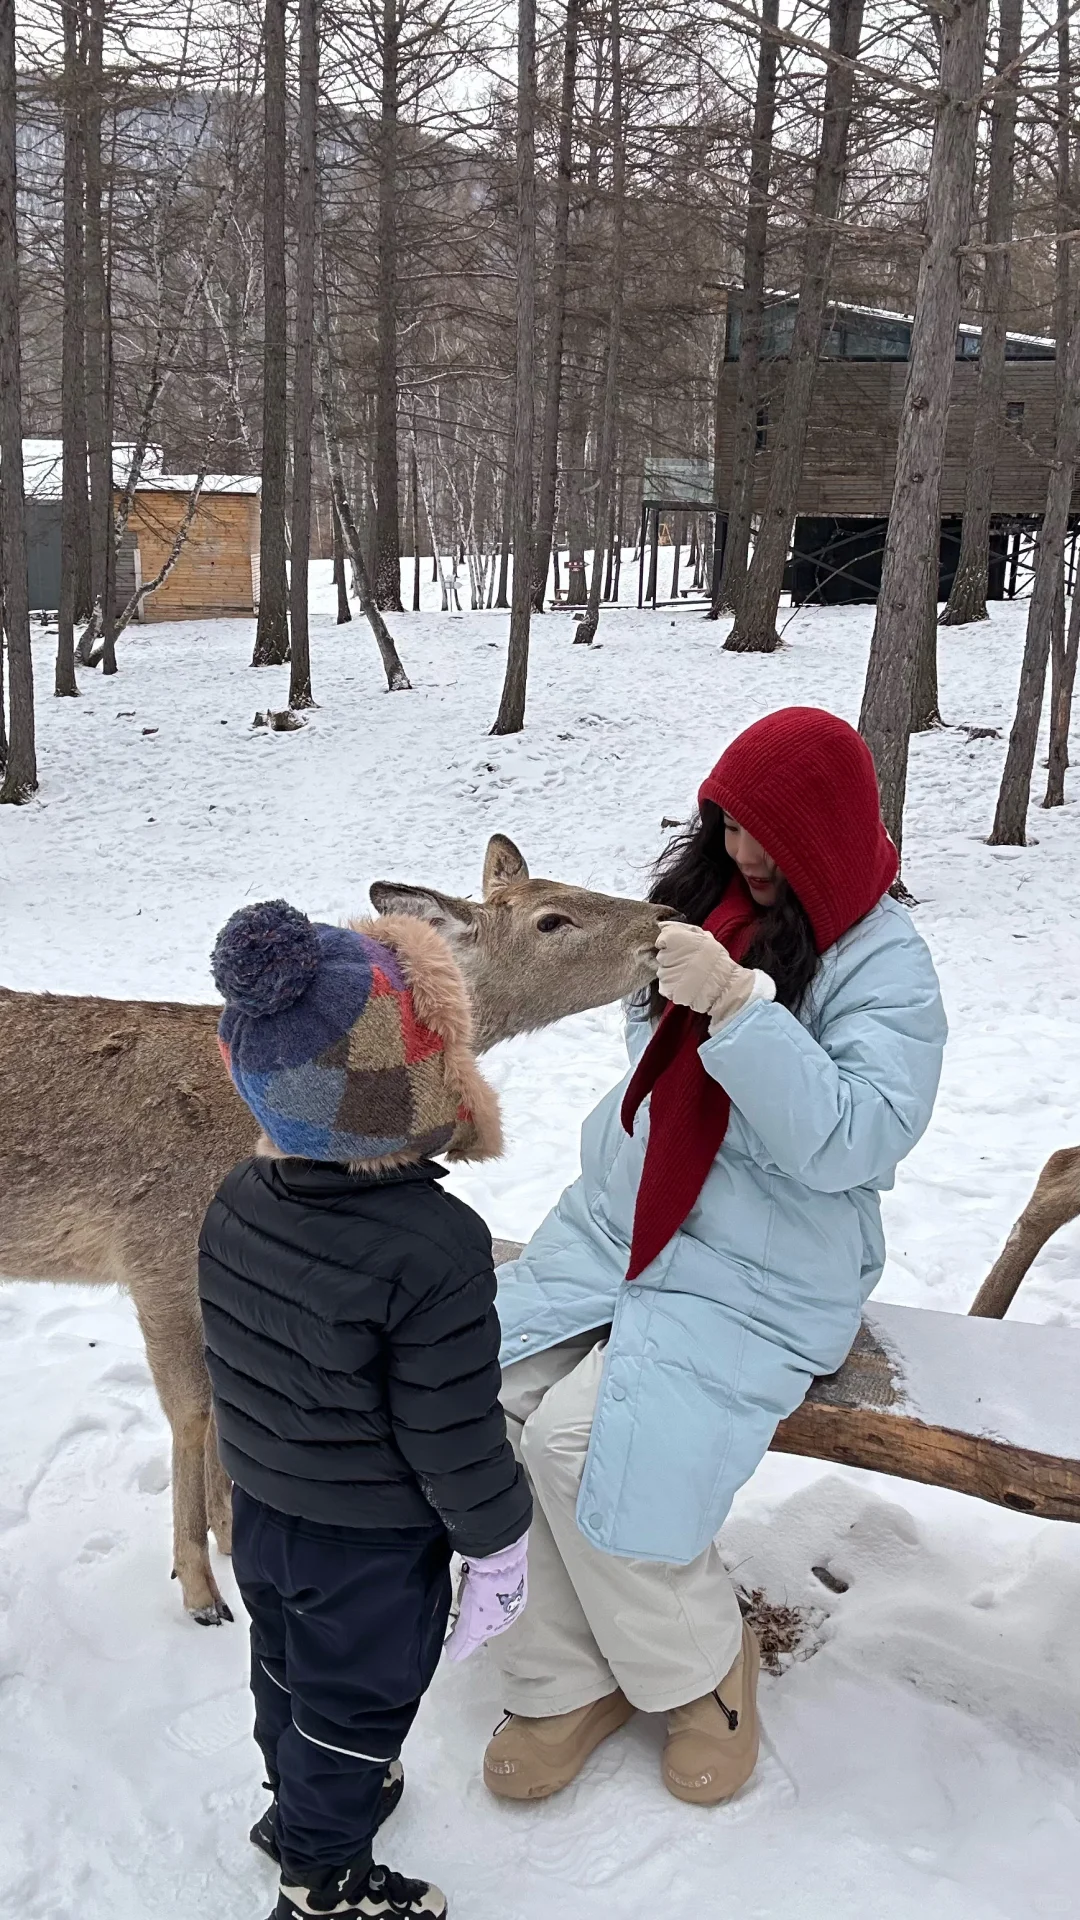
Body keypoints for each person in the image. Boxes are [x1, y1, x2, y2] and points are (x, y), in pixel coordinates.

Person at [484, 706, 947, 1809]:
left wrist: (742, 1009)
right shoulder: (705, 908)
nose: (742, 852)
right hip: (620, 1228)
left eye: (767, 833)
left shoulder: (888, 964)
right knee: (491, 1397)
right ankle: (565, 1673)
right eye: (727, 824)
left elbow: (852, 1138)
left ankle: (700, 1672)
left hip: (762, 1271)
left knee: (581, 1443)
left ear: (827, 834)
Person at [198, 899, 531, 1920]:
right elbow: (450, 1427)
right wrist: (499, 1540)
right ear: (421, 1086)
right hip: (369, 1548)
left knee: (286, 1672)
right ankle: (323, 1883)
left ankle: (298, 1806)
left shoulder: (237, 1200)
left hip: (264, 1512)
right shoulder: (434, 1246)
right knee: (359, 1704)